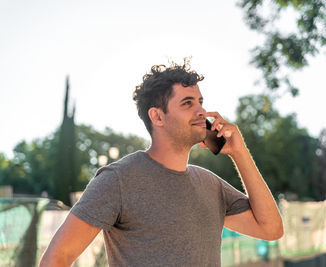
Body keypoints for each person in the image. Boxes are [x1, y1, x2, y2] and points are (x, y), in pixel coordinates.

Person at [40, 60, 284, 267]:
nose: (201, 111)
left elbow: (271, 229)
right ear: (157, 116)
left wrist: (239, 153)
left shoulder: (211, 185)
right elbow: (57, 257)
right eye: (187, 103)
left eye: (200, 101)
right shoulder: (119, 179)